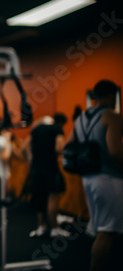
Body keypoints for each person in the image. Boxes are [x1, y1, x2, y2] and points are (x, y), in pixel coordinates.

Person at [66, 79, 123, 271]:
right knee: (107, 233)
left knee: (103, 231)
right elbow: (115, 151)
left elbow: (69, 145)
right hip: (109, 179)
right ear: (110, 95)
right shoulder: (112, 116)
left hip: (88, 179)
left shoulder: (81, 117)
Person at [24, 112, 70, 238]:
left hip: (36, 169)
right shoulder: (57, 128)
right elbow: (59, 148)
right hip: (50, 168)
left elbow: (25, 147)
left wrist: (30, 160)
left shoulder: (36, 129)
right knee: (52, 198)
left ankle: (41, 227)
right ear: (61, 122)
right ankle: (55, 228)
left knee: (39, 198)